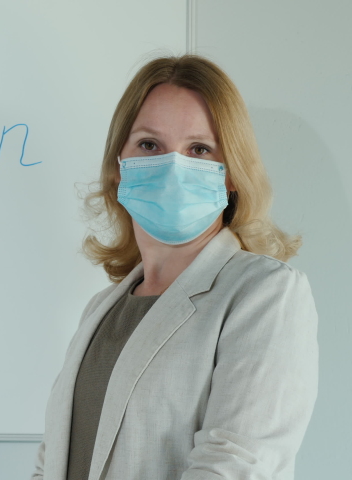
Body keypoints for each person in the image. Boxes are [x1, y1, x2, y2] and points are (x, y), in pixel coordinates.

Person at [31, 55, 318, 480]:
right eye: (149, 145)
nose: (172, 168)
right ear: (118, 165)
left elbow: (235, 466)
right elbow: (53, 459)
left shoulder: (265, 293)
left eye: (199, 149)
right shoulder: (101, 309)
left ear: (231, 174)